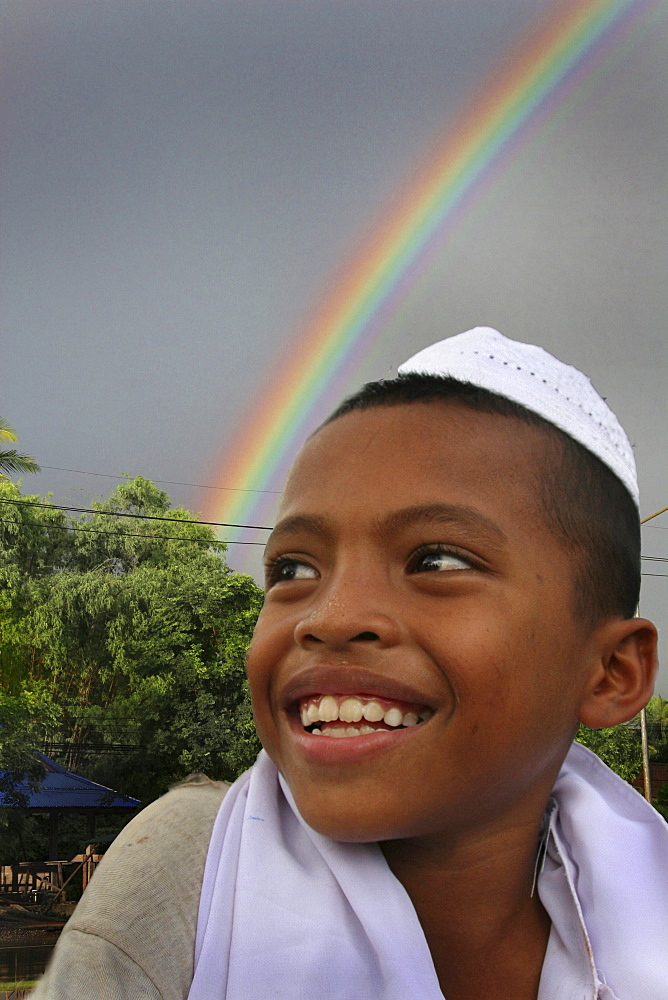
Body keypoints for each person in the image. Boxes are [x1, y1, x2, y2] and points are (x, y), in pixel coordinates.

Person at [34, 327, 667, 1000]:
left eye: (437, 561)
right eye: (294, 568)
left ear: (612, 673)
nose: (329, 617)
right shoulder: (185, 877)